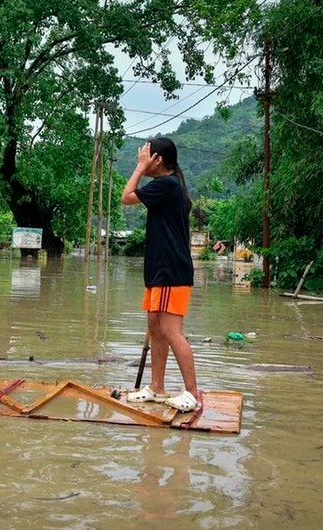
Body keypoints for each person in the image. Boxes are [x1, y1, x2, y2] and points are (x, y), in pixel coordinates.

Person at [120, 138, 200, 412]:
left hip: (170, 271)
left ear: (158, 160)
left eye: (146, 155)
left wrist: (140, 168)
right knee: (155, 327)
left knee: (171, 331)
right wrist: (144, 164)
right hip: (158, 271)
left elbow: (127, 197)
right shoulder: (169, 185)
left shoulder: (167, 184)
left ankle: (192, 393)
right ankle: (156, 387)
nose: (141, 158)